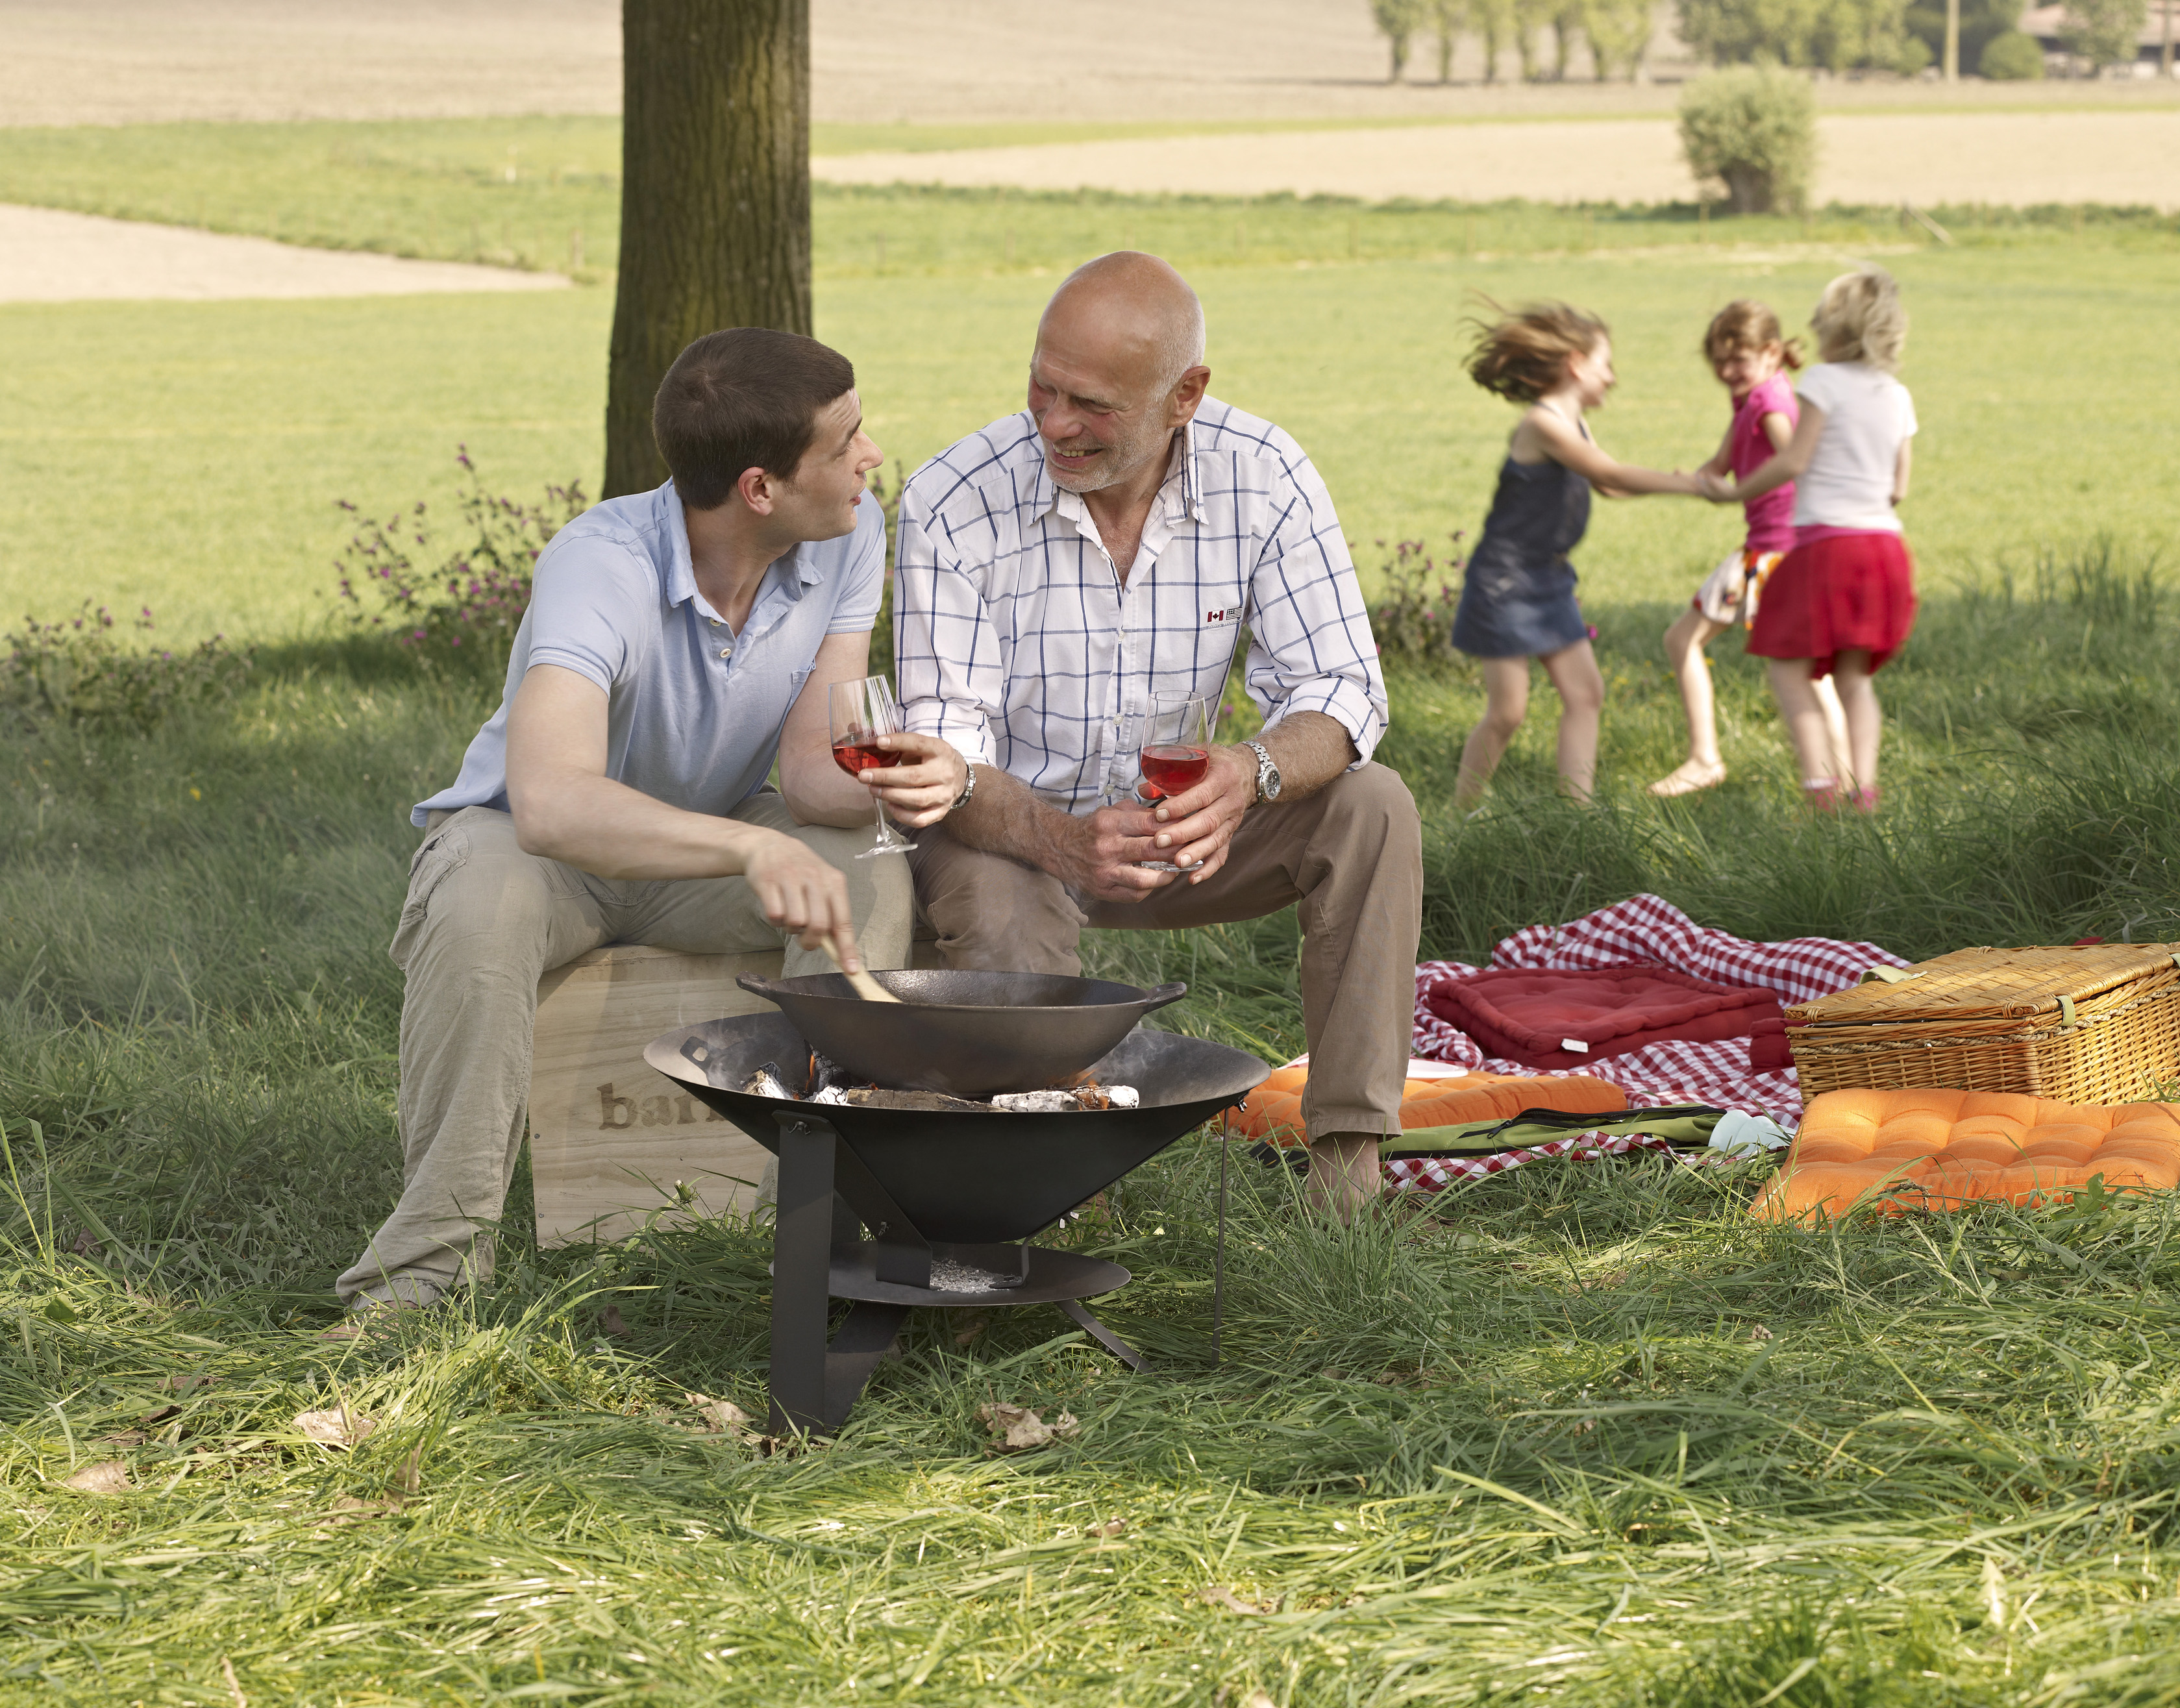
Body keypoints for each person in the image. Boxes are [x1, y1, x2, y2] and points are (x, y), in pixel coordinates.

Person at [333, 328, 967, 1325]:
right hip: (538, 852)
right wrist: (752, 846)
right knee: (477, 902)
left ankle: (813, 1243)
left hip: (702, 844)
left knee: (869, 868)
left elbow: (810, 773)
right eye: (847, 440)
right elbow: (550, 801)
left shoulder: (847, 531)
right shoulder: (601, 563)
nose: (871, 457)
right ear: (759, 488)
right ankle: (426, 1278)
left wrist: (906, 781)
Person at [885, 251, 1419, 1220]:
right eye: (1041, 387)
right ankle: (1037, 1195)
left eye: (1089, 404)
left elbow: (1345, 688)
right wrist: (1059, 839)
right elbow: (949, 757)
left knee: (1373, 804)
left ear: (1186, 396)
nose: (1052, 423)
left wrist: (1251, 771)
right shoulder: (952, 499)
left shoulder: (1265, 474)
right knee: (998, 891)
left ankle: (1348, 1167)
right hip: (1015, 832)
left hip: (1185, 832)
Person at [1448, 301, 1707, 809]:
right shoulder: (1544, 424)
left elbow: (1608, 485)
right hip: (1505, 584)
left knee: (1586, 693)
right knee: (1508, 712)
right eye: (1605, 364)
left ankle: (1576, 815)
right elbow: (1608, 474)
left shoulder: (1574, 420)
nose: (1612, 378)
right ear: (1575, 363)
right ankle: (1459, 812)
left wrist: (1680, 482)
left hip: (1548, 579)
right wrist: (1692, 486)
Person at [1707, 267, 1918, 814]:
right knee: (1854, 677)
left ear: (1836, 331)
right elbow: (1899, 487)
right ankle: (1864, 790)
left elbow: (1794, 460)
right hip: (1886, 549)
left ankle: (1819, 788)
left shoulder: (1823, 382)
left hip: (1828, 547)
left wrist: (1734, 495)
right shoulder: (1897, 395)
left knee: (1787, 666)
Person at [1652, 299, 1852, 799]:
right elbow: (1717, 467)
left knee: (1688, 642)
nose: (1726, 371)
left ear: (1771, 352)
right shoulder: (1755, 398)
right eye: (1718, 361)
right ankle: (1846, 780)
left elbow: (1794, 460)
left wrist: (1742, 492)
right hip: (1769, 550)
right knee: (1807, 670)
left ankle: (1708, 760)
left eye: (1736, 359)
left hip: (1774, 553)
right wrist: (1656, 483)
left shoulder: (1770, 402)